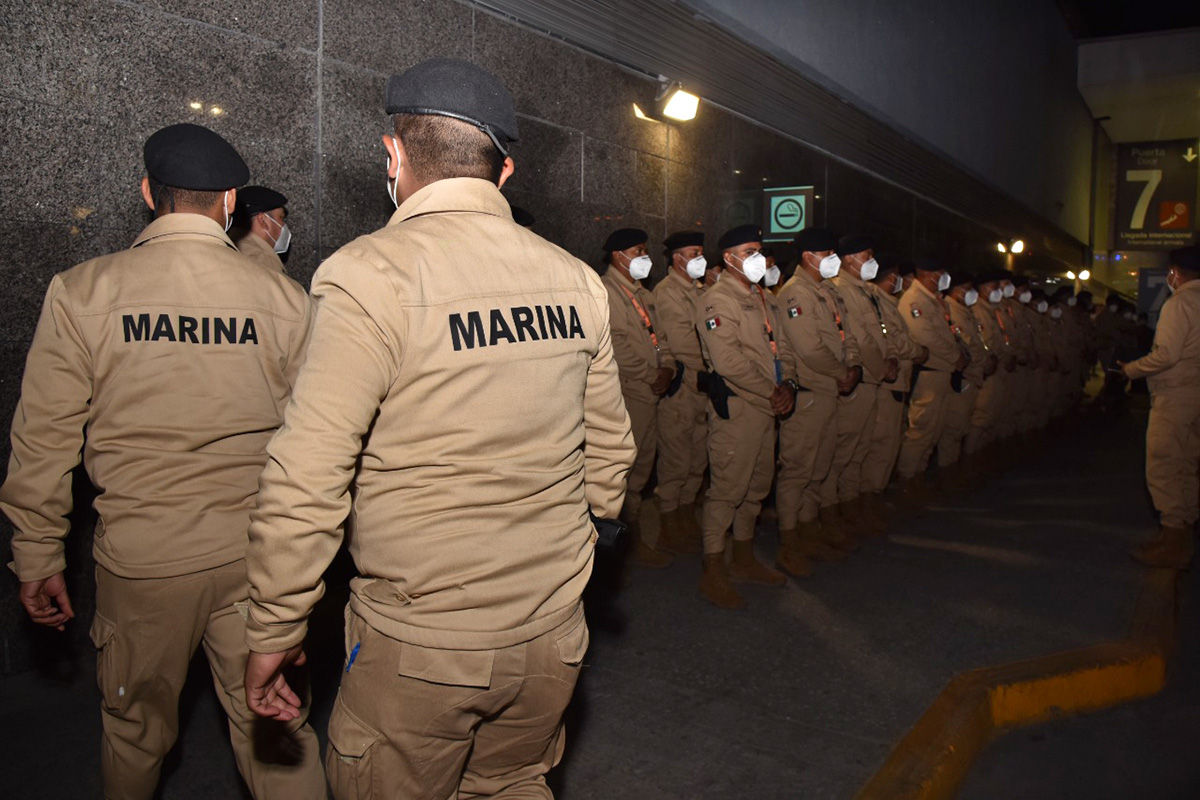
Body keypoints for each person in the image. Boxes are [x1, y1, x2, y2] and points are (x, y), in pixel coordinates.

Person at [241, 58, 636, 799]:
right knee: (515, 783)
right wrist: (576, 553)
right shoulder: (574, 279)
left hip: (423, 648)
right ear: (505, 170)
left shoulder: (368, 275)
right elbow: (610, 451)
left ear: (393, 153)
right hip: (551, 631)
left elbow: (309, 473)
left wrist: (275, 624)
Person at [0, 123, 324, 799]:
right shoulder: (286, 300)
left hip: (143, 562)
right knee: (275, 725)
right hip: (257, 558)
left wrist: (38, 556)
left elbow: (43, 441)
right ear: (232, 201)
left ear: (149, 194)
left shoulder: (83, 291)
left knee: (135, 731)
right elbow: (315, 440)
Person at [695, 224, 797, 609]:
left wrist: (788, 386)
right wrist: (772, 391)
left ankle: (743, 558)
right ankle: (713, 569)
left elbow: (780, 346)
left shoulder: (762, 297)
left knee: (755, 489)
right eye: (749, 251)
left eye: (759, 249)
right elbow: (728, 361)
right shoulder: (717, 300)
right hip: (740, 407)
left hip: (768, 404)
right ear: (730, 258)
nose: (758, 257)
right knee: (727, 490)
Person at [774, 228, 862, 575]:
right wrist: (842, 371)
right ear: (808, 257)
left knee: (819, 468)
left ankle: (809, 533)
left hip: (831, 389)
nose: (833, 260)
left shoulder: (828, 292)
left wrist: (853, 365)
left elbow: (847, 334)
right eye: (827, 254)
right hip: (811, 392)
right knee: (797, 471)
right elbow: (809, 348)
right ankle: (788, 543)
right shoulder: (796, 294)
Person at [1120, 245, 1200, 569]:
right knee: (1187, 464)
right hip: (1195, 394)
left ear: (1175, 272)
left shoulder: (1179, 303)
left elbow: (1166, 354)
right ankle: (1180, 533)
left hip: (1175, 396)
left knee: (1164, 465)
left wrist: (1131, 369)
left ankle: (1174, 541)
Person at [601, 228, 677, 567]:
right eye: (639, 250)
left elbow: (660, 337)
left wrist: (669, 368)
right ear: (619, 255)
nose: (645, 258)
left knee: (643, 467)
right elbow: (619, 346)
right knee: (626, 471)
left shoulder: (641, 294)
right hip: (630, 392)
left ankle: (633, 540)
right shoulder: (607, 292)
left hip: (651, 391)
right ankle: (623, 545)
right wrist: (652, 375)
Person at [827, 235, 897, 539]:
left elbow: (880, 333)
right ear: (849, 258)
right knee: (842, 452)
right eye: (866, 255)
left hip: (870, 380)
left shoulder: (865, 291)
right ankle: (831, 515)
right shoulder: (843, 290)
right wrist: (882, 367)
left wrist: (890, 359)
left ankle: (852, 509)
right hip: (861, 379)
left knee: (860, 450)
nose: (872, 261)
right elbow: (859, 338)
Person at [652, 230, 710, 554]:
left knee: (697, 458)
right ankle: (667, 526)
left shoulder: (699, 291)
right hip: (685, 385)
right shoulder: (667, 292)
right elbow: (684, 342)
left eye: (701, 252)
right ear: (677, 259)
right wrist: (714, 365)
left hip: (703, 385)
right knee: (676, 460)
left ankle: (686, 518)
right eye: (694, 252)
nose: (700, 258)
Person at [894, 258, 967, 502]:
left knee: (934, 431)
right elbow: (926, 337)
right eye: (940, 271)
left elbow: (948, 333)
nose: (944, 276)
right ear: (928, 272)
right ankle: (906, 481)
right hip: (929, 372)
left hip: (942, 371)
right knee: (921, 431)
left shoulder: (934, 301)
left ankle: (918, 479)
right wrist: (954, 356)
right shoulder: (914, 299)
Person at [864, 257, 928, 516]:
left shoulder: (888, 302)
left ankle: (873, 499)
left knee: (889, 444)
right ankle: (868, 500)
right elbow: (888, 340)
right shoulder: (876, 301)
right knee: (880, 445)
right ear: (890, 275)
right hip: (886, 382)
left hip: (896, 380)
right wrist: (917, 350)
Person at [939, 272, 993, 483]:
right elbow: (965, 342)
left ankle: (957, 468)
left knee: (961, 425)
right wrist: (980, 363)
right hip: (964, 374)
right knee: (952, 428)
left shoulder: (965, 310)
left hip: (973, 373)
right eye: (967, 288)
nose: (971, 293)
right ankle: (947, 472)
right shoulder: (952, 309)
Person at [232, 185, 291, 273]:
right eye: (281, 217)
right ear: (263, 220)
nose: (284, 225)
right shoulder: (264, 261)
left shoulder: (226, 248)